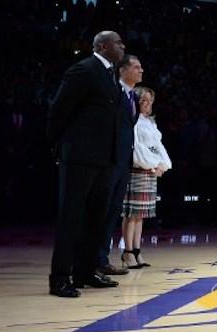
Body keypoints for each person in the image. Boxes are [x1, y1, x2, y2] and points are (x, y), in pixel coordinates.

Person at [47, 31, 126, 297]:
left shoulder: (110, 73)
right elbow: (59, 109)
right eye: (117, 42)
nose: (122, 45)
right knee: (71, 218)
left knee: (96, 218)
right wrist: (60, 146)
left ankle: (85, 271)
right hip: (80, 157)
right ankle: (59, 277)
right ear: (102, 46)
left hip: (104, 159)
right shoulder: (83, 69)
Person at [95, 54, 143, 276]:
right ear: (122, 71)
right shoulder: (114, 92)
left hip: (124, 163)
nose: (141, 70)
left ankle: (102, 258)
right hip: (110, 161)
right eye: (136, 67)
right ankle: (94, 259)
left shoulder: (133, 96)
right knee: (101, 211)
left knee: (113, 211)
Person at [121, 86, 172, 268]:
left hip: (150, 171)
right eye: (144, 100)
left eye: (150, 101)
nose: (147, 104)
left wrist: (163, 165)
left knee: (140, 216)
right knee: (131, 214)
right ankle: (127, 252)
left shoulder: (150, 122)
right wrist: (152, 165)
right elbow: (137, 149)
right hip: (138, 170)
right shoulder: (133, 121)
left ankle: (136, 250)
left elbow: (158, 146)